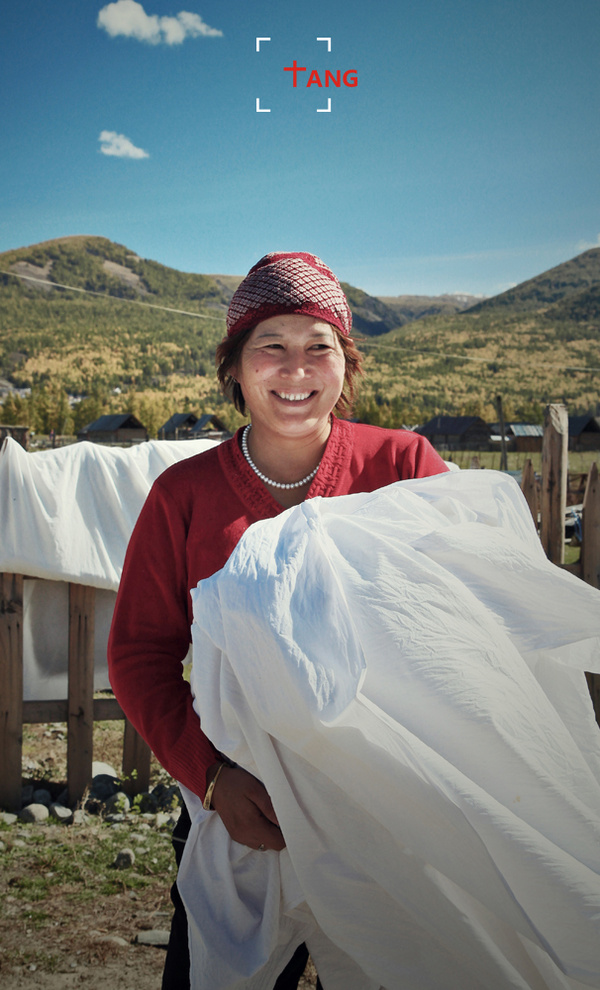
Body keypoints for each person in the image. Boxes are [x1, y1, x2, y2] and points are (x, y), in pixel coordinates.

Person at [107, 251, 448, 989]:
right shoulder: (184, 496)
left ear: (345, 365)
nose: (296, 370)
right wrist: (213, 779)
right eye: (272, 347)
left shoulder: (406, 467)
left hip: (389, 815)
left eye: (318, 347)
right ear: (234, 366)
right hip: (242, 817)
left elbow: (467, 617)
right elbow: (138, 655)